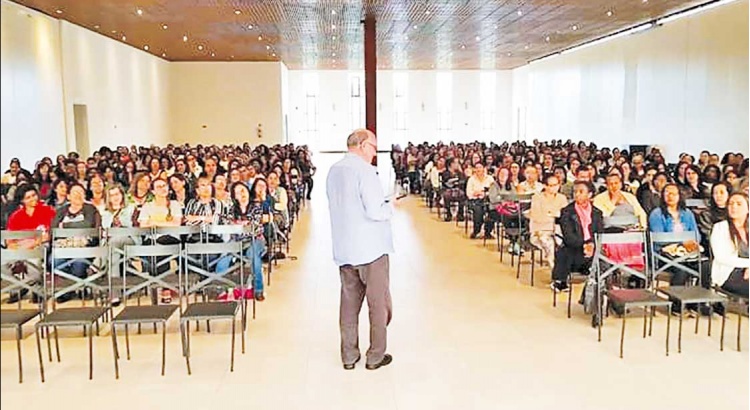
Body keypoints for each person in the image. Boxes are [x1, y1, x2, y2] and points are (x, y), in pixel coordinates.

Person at [326, 129, 394, 371]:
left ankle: (348, 355)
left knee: (349, 304)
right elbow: (375, 210)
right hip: (371, 249)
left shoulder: (334, 170)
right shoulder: (365, 171)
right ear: (363, 145)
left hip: (345, 248)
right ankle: (375, 356)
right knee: (378, 305)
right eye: (374, 147)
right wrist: (391, 207)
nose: (375, 153)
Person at [4, 185, 56, 303]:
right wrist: (18, 246)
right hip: (20, 248)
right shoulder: (16, 216)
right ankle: (18, 287)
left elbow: (48, 235)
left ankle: (35, 289)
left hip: (40, 246)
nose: (33, 199)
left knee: (34, 260)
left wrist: (31, 244)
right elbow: (9, 241)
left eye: (34, 195)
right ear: (22, 200)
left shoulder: (47, 211)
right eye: (28, 197)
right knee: (3, 262)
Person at [551, 181, 603, 292]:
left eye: (581, 192)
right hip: (575, 247)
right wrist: (585, 245)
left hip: (592, 247)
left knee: (604, 253)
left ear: (589, 195)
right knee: (565, 250)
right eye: (575, 192)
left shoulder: (597, 213)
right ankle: (561, 281)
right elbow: (568, 236)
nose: (577, 194)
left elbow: (600, 232)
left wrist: (592, 244)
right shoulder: (567, 212)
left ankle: (604, 283)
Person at [648, 184, 702, 287]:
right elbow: (659, 239)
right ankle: (676, 302)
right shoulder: (656, 214)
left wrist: (689, 243)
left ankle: (699, 301)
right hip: (664, 255)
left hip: (687, 253)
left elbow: (696, 236)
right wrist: (682, 242)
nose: (670, 196)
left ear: (679, 196)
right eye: (667, 193)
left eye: (674, 193)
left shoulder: (687, 213)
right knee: (681, 270)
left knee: (706, 266)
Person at [710, 192, 749, 299]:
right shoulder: (720, 228)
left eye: (739, 204)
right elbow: (722, 258)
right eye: (731, 204)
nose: (734, 207)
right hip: (729, 273)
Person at [529, 174, 568, 267]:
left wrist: (550, 215)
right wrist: (554, 215)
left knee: (566, 242)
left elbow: (565, 215)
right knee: (550, 244)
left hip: (559, 230)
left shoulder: (562, 198)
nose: (554, 188)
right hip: (540, 230)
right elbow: (537, 217)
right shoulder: (537, 198)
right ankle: (555, 271)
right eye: (551, 185)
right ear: (545, 186)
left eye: (556, 185)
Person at [465, 162, 495, 239]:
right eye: (476, 168)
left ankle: (488, 232)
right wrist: (480, 193)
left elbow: (492, 191)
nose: (478, 169)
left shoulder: (490, 178)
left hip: (488, 200)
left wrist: (480, 193)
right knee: (478, 211)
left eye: (480, 167)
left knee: (493, 211)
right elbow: (469, 193)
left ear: (484, 168)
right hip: (475, 201)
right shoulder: (471, 179)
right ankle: (476, 230)